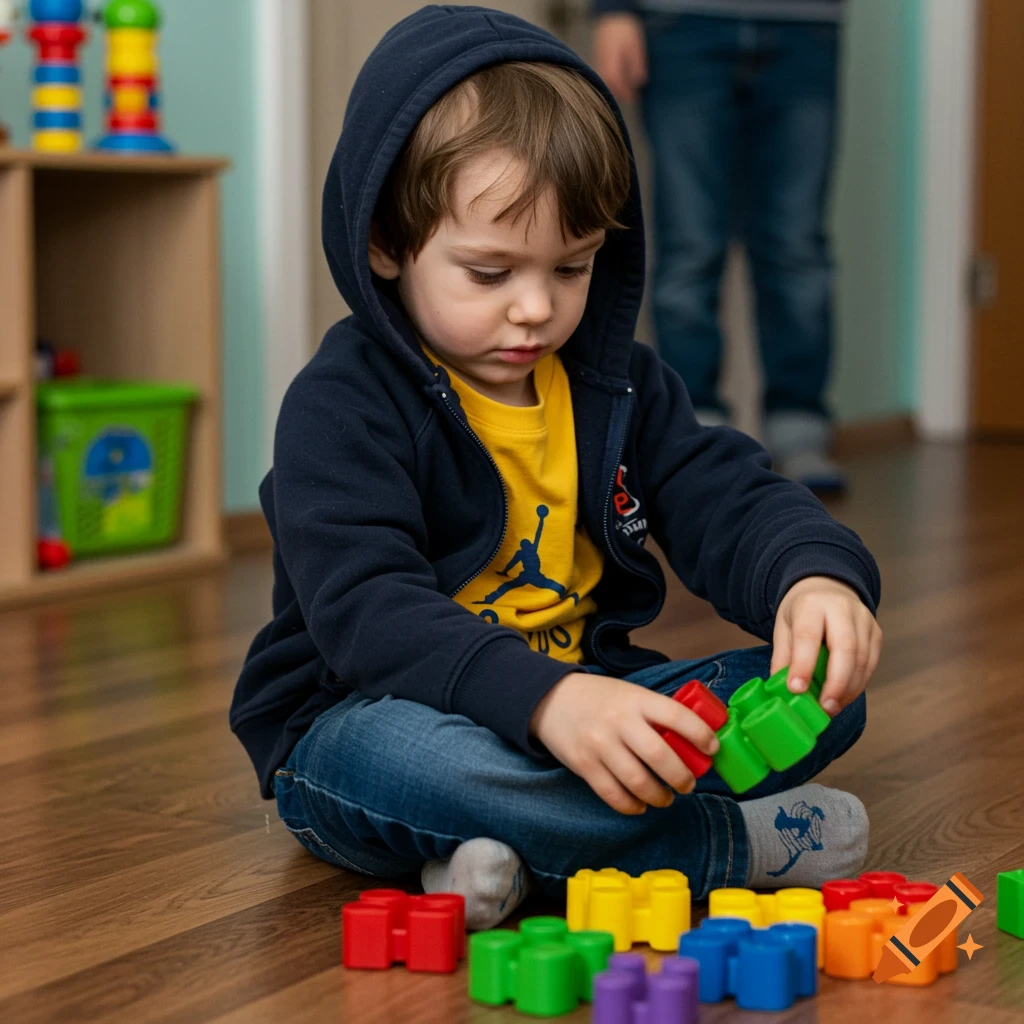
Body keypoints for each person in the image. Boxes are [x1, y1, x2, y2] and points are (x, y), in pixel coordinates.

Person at [230, 4, 881, 931]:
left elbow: (721, 491)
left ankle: (498, 861)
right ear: (384, 244)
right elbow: (366, 611)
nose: (535, 310)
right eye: (490, 274)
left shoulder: (613, 385)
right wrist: (548, 704)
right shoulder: (340, 405)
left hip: (584, 707)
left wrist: (812, 578)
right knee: (412, 761)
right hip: (367, 716)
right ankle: (729, 847)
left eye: (571, 269)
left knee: (825, 692)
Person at [592, 0, 846, 490]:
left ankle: (800, 430)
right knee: (689, 247)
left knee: (797, 247)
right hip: (681, 22)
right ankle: (693, 437)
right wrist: (613, 8)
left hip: (809, 26)